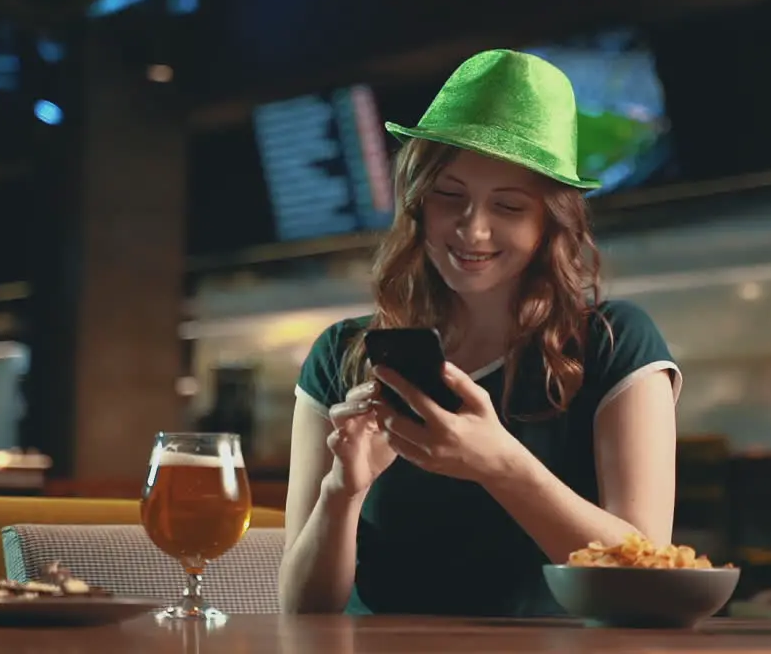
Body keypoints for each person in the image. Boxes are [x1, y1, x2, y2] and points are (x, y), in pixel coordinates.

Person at [280, 49, 682, 617]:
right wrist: (341, 492)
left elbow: (648, 583)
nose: (473, 228)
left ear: (550, 221)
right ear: (418, 202)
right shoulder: (341, 356)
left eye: (510, 206)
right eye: (450, 197)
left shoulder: (617, 344)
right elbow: (300, 610)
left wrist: (499, 463)